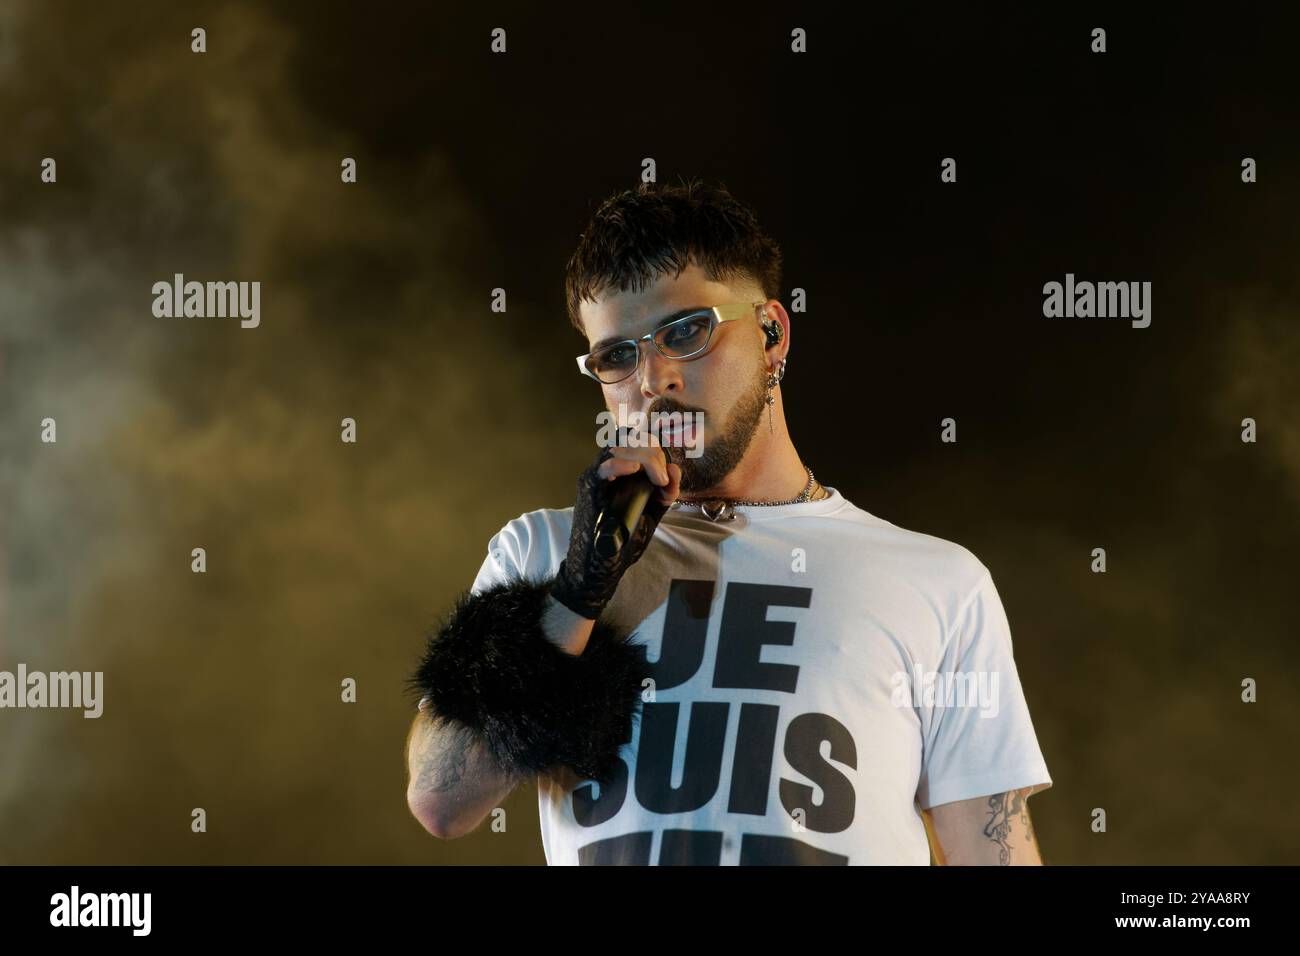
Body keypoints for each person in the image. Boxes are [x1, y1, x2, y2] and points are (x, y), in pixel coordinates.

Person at [405, 178, 1052, 865]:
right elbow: (442, 803)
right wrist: (575, 595)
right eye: (617, 356)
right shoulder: (544, 550)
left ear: (772, 332)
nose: (652, 380)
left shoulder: (936, 580)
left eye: (685, 332)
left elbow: (991, 852)